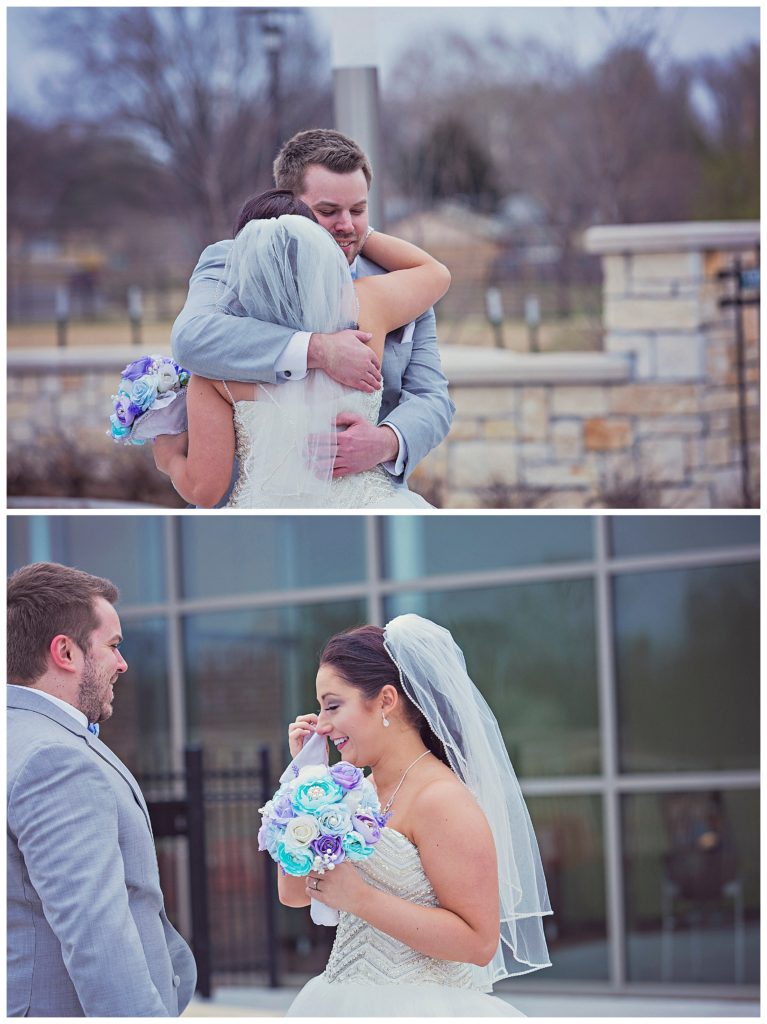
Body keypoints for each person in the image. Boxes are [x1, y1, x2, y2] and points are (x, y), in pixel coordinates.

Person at [281, 615, 552, 1017]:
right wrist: (305, 779)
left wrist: (361, 899)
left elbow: (479, 943)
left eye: (333, 706)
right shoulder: (351, 792)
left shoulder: (441, 799)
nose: (321, 724)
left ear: (386, 700)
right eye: (320, 708)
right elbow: (293, 894)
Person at [170, 128, 455, 498]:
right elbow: (191, 338)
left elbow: (433, 398)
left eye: (358, 209)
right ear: (288, 204)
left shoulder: (397, 281)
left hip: (365, 496)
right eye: (328, 211)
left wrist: (385, 442)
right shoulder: (234, 262)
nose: (347, 224)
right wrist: (319, 349)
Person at [6, 562, 197, 1017]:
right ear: (65, 652)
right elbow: (97, 936)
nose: (123, 663)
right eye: (112, 645)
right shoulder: (54, 759)